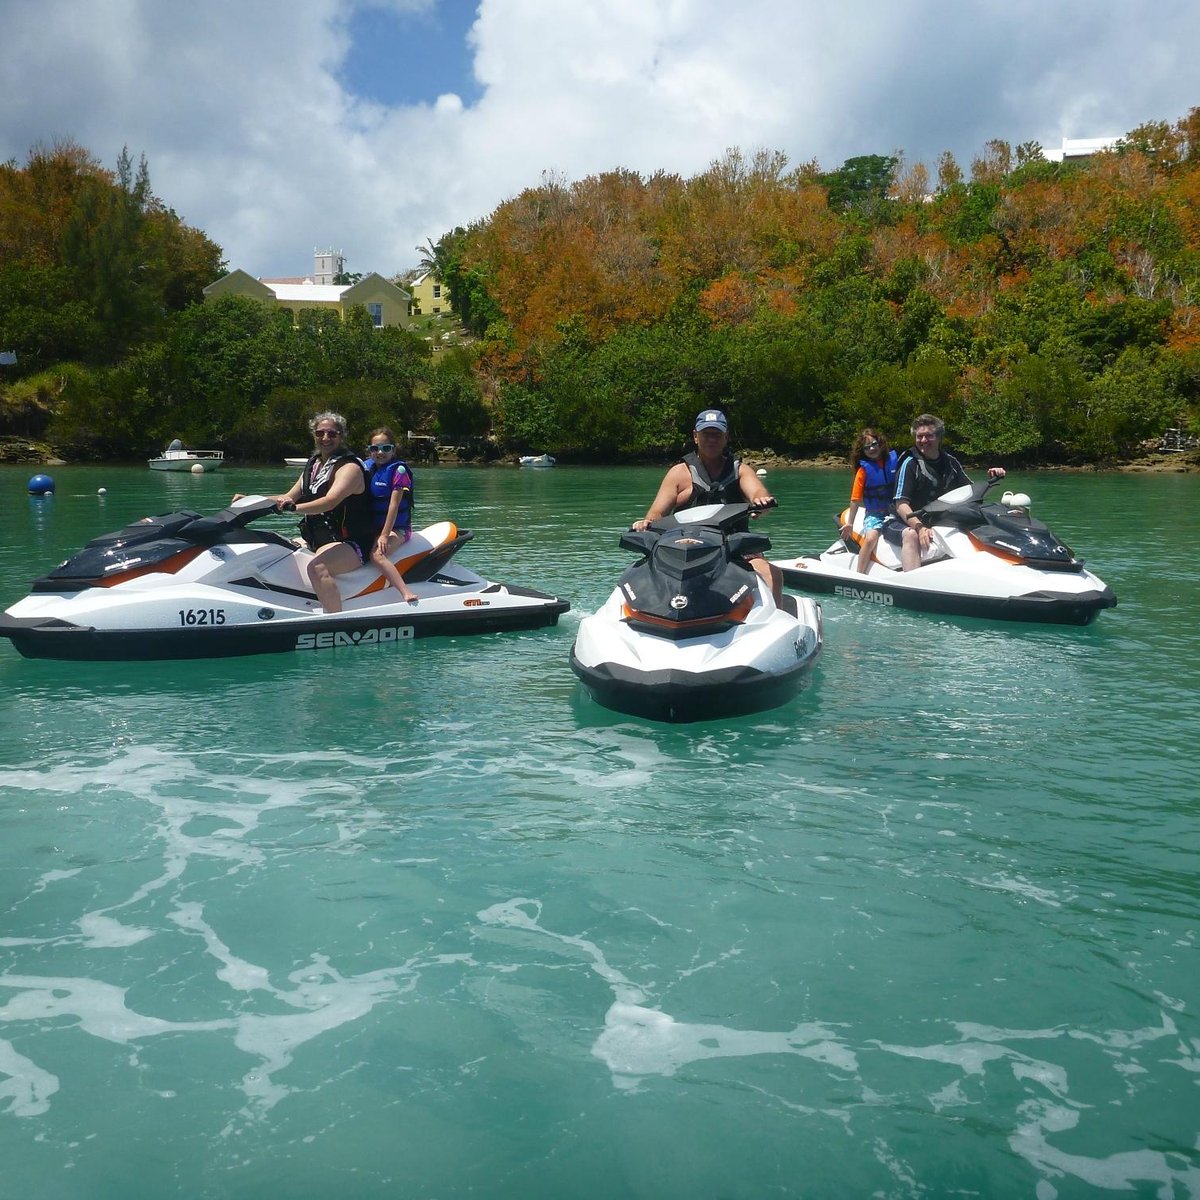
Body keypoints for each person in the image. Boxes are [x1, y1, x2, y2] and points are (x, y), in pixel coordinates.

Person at [632, 408, 783, 603]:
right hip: (686, 547)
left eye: (717, 434)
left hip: (735, 548)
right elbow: (657, 513)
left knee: (772, 574)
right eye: (706, 434)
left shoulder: (740, 471)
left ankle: (774, 623)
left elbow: (758, 493)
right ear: (695, 436)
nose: (711, 439)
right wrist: (646, 523)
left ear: (726, 437)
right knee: (642, 572)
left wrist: (762, 503)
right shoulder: (679, 473)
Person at [270, 411, 374, 612]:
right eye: (320, 433)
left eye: (332, 434)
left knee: (317, 568)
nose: (325, 438)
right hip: (320, 539)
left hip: (352, 542)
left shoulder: (349, 467)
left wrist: (294, 508)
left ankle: (335, 621)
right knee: (277, 550)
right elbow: (288, 496)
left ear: (341, 436)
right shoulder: (314, 465)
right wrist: (252, 499)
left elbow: (330, 501)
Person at [892, 413, 1006, 571]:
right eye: (919, 436)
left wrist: (991, 478)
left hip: (937, 520)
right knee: (911, 535)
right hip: (904, 522)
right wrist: (920, 527)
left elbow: (969, 493)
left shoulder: (951, 462)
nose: (923, 441)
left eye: (929, 436)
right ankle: (910, 584)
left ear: (939, 438)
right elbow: (901, 504)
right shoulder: (910, 464)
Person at [364, 427, 418, 603]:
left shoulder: (398, 471)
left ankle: (405, 592)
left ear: (393, 450)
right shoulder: (366, 467)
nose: (380, 452)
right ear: (369, 451)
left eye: (386, 448)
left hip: (398, 528)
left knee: (377, 555)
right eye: (375, 448)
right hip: (373, 526)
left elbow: (394, 505)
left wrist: (385, 536)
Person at [839, 428, 898, 574]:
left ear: (880, 444)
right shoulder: (863, 471)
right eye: (867, 447)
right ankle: (860, 574)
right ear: (862, 451)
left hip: (896, 511)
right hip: (875, 514)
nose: (872, 448)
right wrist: (850, 524)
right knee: (871, 539)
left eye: (874, 444)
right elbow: (855, 500)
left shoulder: (895, 462)